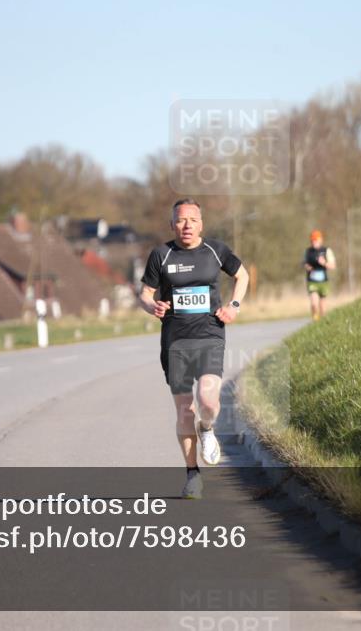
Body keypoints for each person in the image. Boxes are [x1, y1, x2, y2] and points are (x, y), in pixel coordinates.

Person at [139, 198, 249, 499]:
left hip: (210, 334)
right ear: (172, 224)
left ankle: (208, 427)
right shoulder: (161, 255)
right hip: (175, 341)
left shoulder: (216, 250)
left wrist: (234, 306)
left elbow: (242, 275)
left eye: (192, 220)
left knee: (208, 400)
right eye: (180, 220)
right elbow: (145, 293)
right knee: (184, 411)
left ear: (201, 223)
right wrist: (152, 306)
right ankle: (192, 474)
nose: (187, 225)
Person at [304, 229, 335, 321]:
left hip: (323, 281)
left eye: (315, 240)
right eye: (312, 240)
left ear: (320, 240)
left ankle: (321, 324)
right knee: (314, 303)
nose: (314, 242)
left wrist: (324, 263)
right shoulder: (308, 251)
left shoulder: (326, 251)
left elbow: (333, 266)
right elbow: (304, 263)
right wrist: (307, 267)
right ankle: (315, 320)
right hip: (312, 281)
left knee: (323, 307)